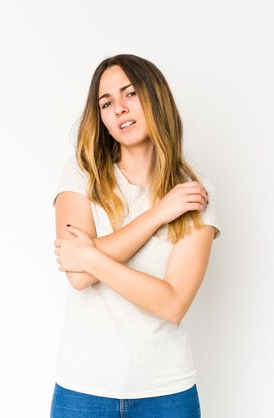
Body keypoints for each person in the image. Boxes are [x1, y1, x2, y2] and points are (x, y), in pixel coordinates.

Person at [50, 54, 221, 418]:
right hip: (83, 390)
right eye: (107, 103)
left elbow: (173, 304)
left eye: (130, 94)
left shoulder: (194, 192)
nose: (119, 109)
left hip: (166, 392)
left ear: (155, 97)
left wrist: (92, 256)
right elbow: (78, 276)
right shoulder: (82, 175)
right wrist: (157, 213)